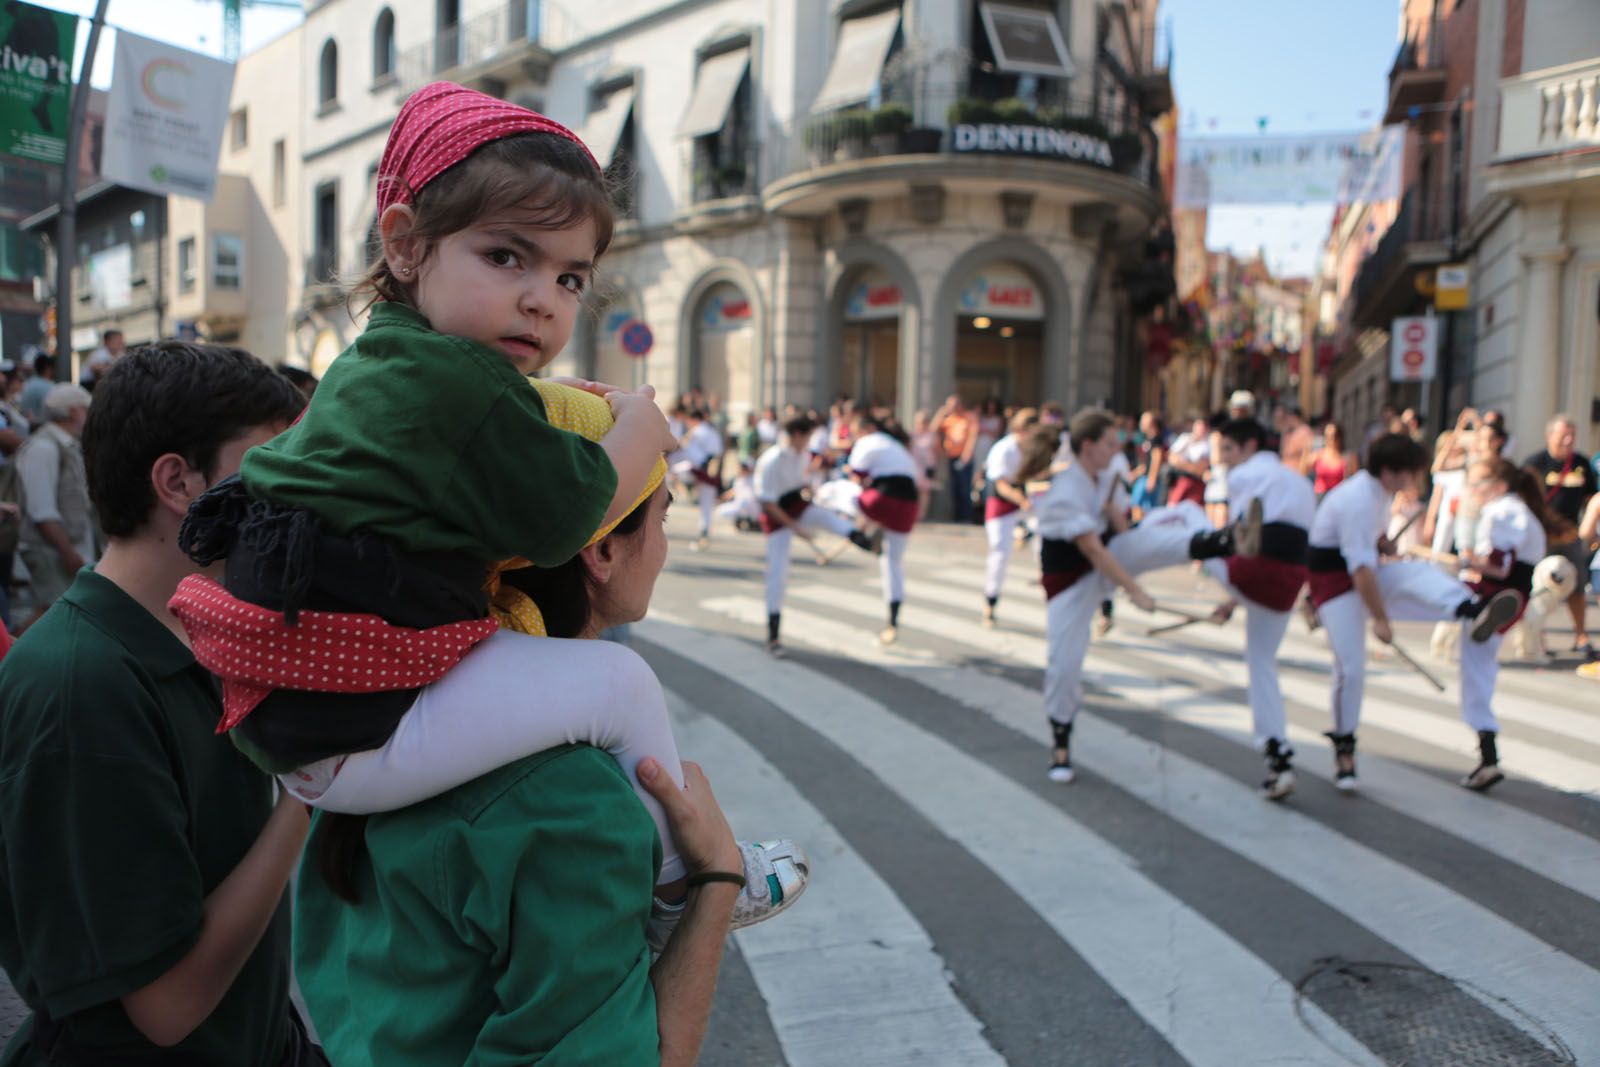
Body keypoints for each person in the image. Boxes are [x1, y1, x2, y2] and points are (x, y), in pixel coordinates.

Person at [165, 83, 796, 930]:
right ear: (406, 244)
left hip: (298, 719)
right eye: (507, 256)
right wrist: (642, 427)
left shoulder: (378, 361)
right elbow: (569, 516)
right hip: (351, 730)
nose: (542, 296)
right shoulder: (458, 381)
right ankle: (684, 874)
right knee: (617, 679)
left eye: (570, 276)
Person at [295, 478, 748, 1066]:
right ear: (602, 550)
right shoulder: (571, 801)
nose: (664, 543)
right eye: (661, 521)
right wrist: (717, 878)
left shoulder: (372, 730)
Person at [0, 342, 320, 1064]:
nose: (297, 499)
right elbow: (167, 1007)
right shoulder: (81, 686)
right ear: (179, 481)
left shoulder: (197, 630)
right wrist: (310, 787)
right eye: (272, 469)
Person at [1025, 410, 1261, 784]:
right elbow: (1094, 552)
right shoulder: (1065, 489)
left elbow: (1116, 524)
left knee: (1169, 522)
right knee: (1063, 666)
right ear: (1089, 446)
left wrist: (1139, 541)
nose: (1117, 448)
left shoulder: (1103, 473)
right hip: (1070, 581)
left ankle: (1226, 540)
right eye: (1109, 442)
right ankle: (1061, 744)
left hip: (1105, 554)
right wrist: (1136, 592)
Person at [1306, 434, 1521, 791]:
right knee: (1352, 669)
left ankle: (1469, 608)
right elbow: (1359, 570)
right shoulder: (1358, 498)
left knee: (1417, 572)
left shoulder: (1380, 492)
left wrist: (1381, 542)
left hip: (1362, 571)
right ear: (1391, 472)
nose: (1414, 480)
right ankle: (1344, 748)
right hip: (1333, 584)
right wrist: (1380, 620)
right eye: (1411, 473)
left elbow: (1366, 551)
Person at [1202, 419, 1316, 799]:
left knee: (1190, 528)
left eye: (1228, 451)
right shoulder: (1299, 481)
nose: (1223, 460)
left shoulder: (1243, 476)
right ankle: (1277, 756)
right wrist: (1234, 598)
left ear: (1249, 446)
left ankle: (1116, 568)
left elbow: (1242, 540)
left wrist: (1231, 586)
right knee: (1261, 661)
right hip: (1288, 583)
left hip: (1257, 570)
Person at [1455, 456, 1571, 790]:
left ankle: (1488, 758)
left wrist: (1467, 560)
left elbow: (1499, 565)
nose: (1473, 491)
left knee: (1475, 671)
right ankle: (1487, 757)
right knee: (1481, 670)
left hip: (1493, 593)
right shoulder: (1523, 512)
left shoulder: (1500, 511)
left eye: (1477, 484)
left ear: (1499, 485)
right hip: (1514, 596)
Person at [756, 416, 876, 655]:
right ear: (798, 435)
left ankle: (858, 536)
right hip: (776, 515)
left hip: (796, 505)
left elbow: (801, 486)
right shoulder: (770, 461)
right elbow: (768, 503)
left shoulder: (802, 455)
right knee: (777, 575)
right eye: (808, 436)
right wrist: (795, 528)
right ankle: (773, 635)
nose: (810, 441)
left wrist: (809, 491)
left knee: (825, 516)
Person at [13, 384, 94, 630]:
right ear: (73, 412)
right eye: (85, 410)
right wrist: (68, 553)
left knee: (57, 614)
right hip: (50, 550)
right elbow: (42, 510)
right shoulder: (43, 448)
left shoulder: (65, 445)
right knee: (50, 614)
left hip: (61, 548)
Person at [1525, 414, 1597, 660]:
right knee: (1539, 587)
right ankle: (1538, 636)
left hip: (1570, 535)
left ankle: (1581, 636)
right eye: (1563, 435)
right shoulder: (1535, 463)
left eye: (1572, 436)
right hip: (1541, 535)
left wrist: (1591, 530)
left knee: (1577, 584)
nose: (1568, 440)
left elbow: (1591, 499)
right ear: (1550, 436)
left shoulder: (1581, 463)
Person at [847, 411, 922, 644]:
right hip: (909, 504)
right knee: (892, 562)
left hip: (883, 500)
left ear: (864, 429)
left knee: (840, 490)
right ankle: (892, 621)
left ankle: (855, 532)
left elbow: (856, 476)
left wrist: (863, 517)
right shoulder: (896, 446)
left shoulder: (866, 442)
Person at [981, 407, 1038, 627]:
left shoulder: (1033, 449)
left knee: (1046, 534)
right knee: (999, 551)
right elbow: (1001, 484)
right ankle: (990, 601)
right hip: (1002, 503)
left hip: (1025, 502)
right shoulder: (1004, 449)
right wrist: (1021, 499)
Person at [676, 406, 723, 550]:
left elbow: (688, 452)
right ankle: (704, 533)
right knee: (706, 505)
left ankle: (687, 490)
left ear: (694, 419)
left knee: (674, 471)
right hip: (707, 470)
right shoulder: (711, 432)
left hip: (701, 469)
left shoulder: (697, 432)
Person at [934, 394, 979, 521]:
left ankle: (966, 516)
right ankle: (958, 516)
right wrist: (941, 413)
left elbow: (972, 436)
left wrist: (967, 454)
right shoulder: (949, 419)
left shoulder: (969, 417)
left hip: (964, 457)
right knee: (955, 488)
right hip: (952, 456)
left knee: (965, 488)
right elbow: (933, 429)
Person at [1165, 413, 1210, 506]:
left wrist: (1183, 464)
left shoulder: (1208, 444)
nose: (1200, 429)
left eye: (1203, 427)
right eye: (1198, 426)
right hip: (1181, 480)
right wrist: (1190, 467)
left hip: (1197, 484)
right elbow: (1171, 458)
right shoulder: (1185, 438)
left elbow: (1202, 469)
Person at [1312, 421, 1356, 498]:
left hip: (1338, 497)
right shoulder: (1318, 455)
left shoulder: (1348, 457)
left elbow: (1352, 481)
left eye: (1334, 436)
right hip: (1320, 496)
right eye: (1327, 436)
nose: (1330, 440)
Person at [16, 352, 53, 428]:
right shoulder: (49, 387)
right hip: (40, 429)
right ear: (48, 368)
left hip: (27, 429)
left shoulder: (28, 384)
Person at [1275, 404, 1314, 475]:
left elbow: (1306, 454)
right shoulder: (1288, 431)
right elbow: (1283, 452)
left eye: (1289, 417)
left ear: (1295, 417)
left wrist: (1302, 472)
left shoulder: (1305, 431)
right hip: (1285, 470)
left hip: (1297, 471)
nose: (1288, 420)